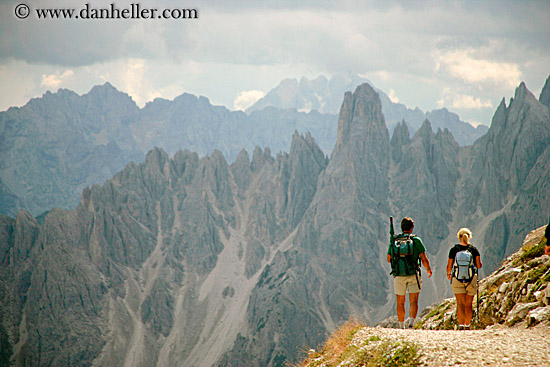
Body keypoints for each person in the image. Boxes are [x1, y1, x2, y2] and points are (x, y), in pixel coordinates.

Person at [387, 217, 432, 329]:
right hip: (413, 274)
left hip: (399, 275)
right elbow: (424, 258)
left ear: (402, 228)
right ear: (412, 228)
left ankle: (401, 325)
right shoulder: (416, 240)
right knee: (413, 300)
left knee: (400, 301)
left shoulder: (395, 241)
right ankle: (411, 322)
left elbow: (389, 258)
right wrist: (428, 269)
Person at [447, 228, 482, 330]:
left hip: (457, 279)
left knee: (460, 303)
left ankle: (461, 325)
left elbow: (449, 265)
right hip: (471, 279)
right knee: (469, 304)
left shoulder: (454, 250)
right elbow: (479, 266)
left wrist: (449, 274)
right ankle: (467, 325)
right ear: (469, 237)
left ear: (459, 237)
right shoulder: (473, 250)